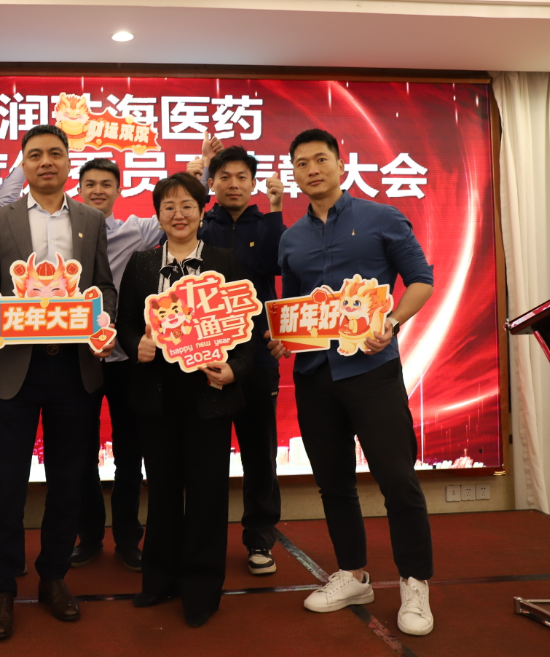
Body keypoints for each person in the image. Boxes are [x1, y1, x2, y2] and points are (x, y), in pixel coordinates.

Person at [0, 155, 204, 572]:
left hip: (130, 357)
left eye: (107, 184)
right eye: (90, 183)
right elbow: (5, 201)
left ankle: (127, 538)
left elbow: (182, 212)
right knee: (80, 454)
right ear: (78, 186)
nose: (98, 190)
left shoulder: (137, 229)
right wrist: (28, 155)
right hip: (79, 357)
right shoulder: (64, 231)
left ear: (119, 191)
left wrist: (198, 174)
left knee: (130, 454)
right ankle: (88, 535)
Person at [0, 125, 116, 641]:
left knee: (69, 480)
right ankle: (1, 587)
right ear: (22, 164)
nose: (46, 161)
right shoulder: (0, 220)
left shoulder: (91, 219)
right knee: (5, 484)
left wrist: (103, 323)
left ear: (68, 163)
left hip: (74, 369)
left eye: (55, 154)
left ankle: (53, 577)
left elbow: (104, 286)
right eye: (36, 154)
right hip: (13, 369)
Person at [269, 128, 435, 636]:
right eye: (302, 163)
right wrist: (284, 340)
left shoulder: (381, 217)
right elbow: (294, 309)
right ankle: (353, 574)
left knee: (397, 479)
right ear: (294, 175)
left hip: (371, 369)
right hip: (315, 375)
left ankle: (415, 583)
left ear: (341, 165)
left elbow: (421, 281)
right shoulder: (291, 238)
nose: (312, 169)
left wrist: (392, 323)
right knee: (333, 482)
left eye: (321, 159)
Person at [118, 172, 254, 628]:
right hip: (156, 394)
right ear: (158, 215)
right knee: (160, 491)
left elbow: (249, 331)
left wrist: (235, 370)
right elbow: (125, 323)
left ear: (202, 211)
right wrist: (137, 344)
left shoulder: (225, 261)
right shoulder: (141, 263)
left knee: (207, 493)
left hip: (208, 392)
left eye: (187, 206)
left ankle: (201, 589)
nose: (178, 214)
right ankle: (158, 579)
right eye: (169, 207)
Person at [196, 145, 286, 575]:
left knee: (259, 452)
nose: (233, 184)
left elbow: (276, 267)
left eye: (241, 177)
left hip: (259, 356)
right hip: (206, 355)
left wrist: (277, 208)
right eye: (224, 177)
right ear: (212, 182)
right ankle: (205, 543)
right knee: (205, 454)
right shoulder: (199, 224)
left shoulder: (268, 224)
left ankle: (260, 539)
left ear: (253, 183)